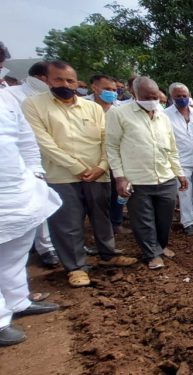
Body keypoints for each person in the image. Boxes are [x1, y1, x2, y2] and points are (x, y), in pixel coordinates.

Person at [23, 61, 137, 287]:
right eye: (58, 79)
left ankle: (108, 254)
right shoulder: (34, 105)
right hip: (62, 175)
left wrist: (103, 166)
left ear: (77, 82)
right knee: (68, 222)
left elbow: (107, 140)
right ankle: (75, 267)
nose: (65, 84)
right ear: (47, 80)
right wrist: (79, 168)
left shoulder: (92, 108)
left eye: (70, 80)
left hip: (98, 172)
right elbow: (45, 144)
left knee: (101, 216)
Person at [0, 86, 61, 347]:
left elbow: (26, 139)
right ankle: (1, 321)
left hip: (16, 189)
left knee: (16, 252)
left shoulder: (7, 99)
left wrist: (35, 172)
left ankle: (18, 301)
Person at [106, 76, 188, 270]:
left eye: (155, 96)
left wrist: (180, 173)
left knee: (164, 218)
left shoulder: (162, 116)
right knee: (143, 219)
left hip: (165, 176)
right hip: (138, 178)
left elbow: (171, 148)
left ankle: (161, 245)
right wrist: (120, 177)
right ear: (135, 94)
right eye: (147, 96)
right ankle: (151, 253)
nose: (153, 100)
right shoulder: (119, 114)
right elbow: (111, 147)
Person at [3, 61, 59, 267]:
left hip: (30, 165)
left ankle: (47, 245)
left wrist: (34, 168)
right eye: (57, 78)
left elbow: (27, 139)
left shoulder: (5, 100)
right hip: (11, 169)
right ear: (44, 77)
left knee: (41, 205)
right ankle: (44, 248)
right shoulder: (11, 95)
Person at [86, 75, 131, 236]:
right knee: (97, 196)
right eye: (107, 89)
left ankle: (116, 222)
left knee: (119, 190)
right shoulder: (84, 105)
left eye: (114, 90)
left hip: (116, 157)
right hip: (92, 158)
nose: (112, 93)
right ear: (94, 88)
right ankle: (99, 229)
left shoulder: (120, 108)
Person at [165, 83, 193, 236]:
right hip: (180, 160)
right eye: (178, 96)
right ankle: (187, 222)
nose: (182, 99)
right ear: (172, 97)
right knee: (184, 191)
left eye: (184, 96)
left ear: (189, 96)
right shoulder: (165, 115)